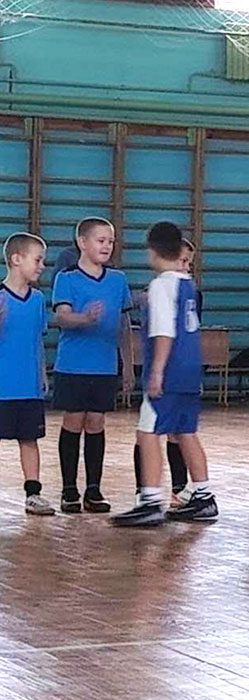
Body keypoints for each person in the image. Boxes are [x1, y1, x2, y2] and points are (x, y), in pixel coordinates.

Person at [113, 221, 218, 526]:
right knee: (186, 432)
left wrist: (157, 370)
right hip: (190, 371)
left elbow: (163, 332)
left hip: (169, 370)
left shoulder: (160, 285)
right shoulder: (187, 284)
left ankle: (150, 500)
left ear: (153, 251)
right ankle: (204, 496)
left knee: (147, 432)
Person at [51, 217, 135, 514]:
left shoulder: (118, 280)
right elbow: (61, 317)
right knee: (74, 421)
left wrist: (127, 364)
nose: (107, 246)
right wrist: (84, 318)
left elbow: (124, 324)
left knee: (97, 423)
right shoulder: (67, 278)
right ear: (82, 243)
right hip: (73, 365)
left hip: (104, 365)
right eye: (101, 240)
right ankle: (69, 489)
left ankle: (94, 489)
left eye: (111, 241)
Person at [0, 233, 55, 515]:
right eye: (38, 260)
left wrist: (42, 373)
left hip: (29, 385)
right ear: (16, 259)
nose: (42, 266)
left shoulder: (37, 299)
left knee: (30, 439)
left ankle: (33, 494)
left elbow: (37, 340)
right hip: (3, 385)